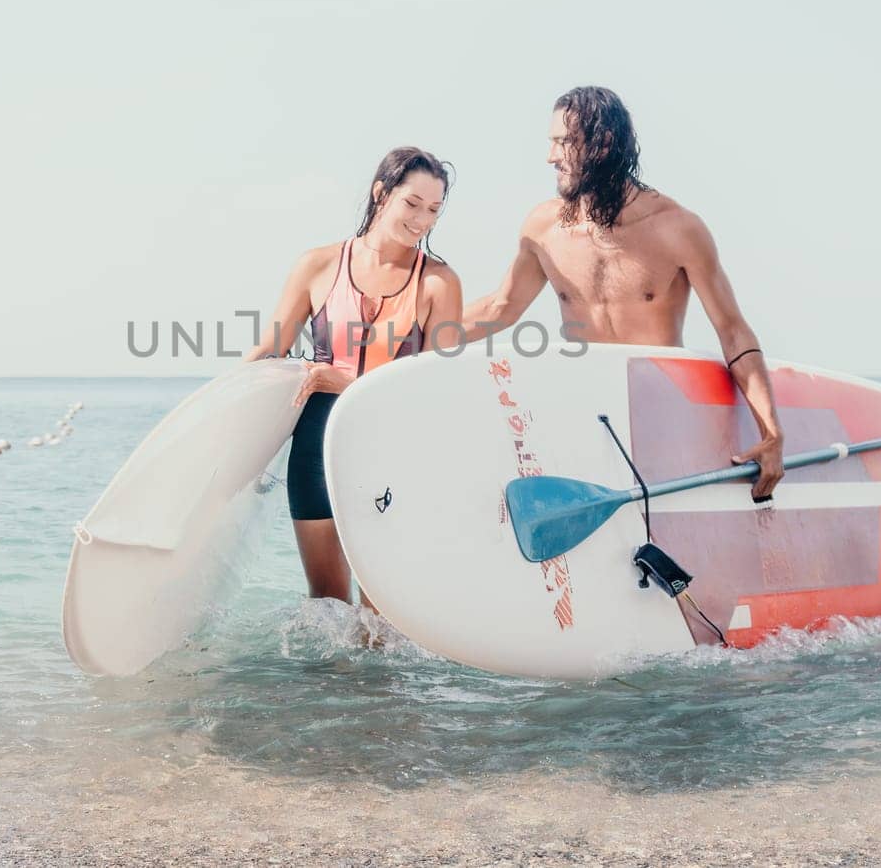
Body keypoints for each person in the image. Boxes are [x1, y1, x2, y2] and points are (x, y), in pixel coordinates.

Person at [461, 86, 785, 500]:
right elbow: (500, 307)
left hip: (660, 417)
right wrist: (413, 337)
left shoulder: (677, 228)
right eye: (551, 143)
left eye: (564, 142)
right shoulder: (544, 229)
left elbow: (732, 330)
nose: (551, 157)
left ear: (603, 144)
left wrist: (771, 433)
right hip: (581, 414)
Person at [246, 147, 465, 600]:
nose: (422, 220)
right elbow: (271, 348)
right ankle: (328, 678)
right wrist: (211, 414)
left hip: (392, 452)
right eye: (412, 203)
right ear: (381, 192)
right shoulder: (317, 266)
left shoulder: (438, 283)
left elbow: (439, 391)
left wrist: (339, 381)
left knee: (380, 611)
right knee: (326, 604)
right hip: (315, 449)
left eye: (434, 210)